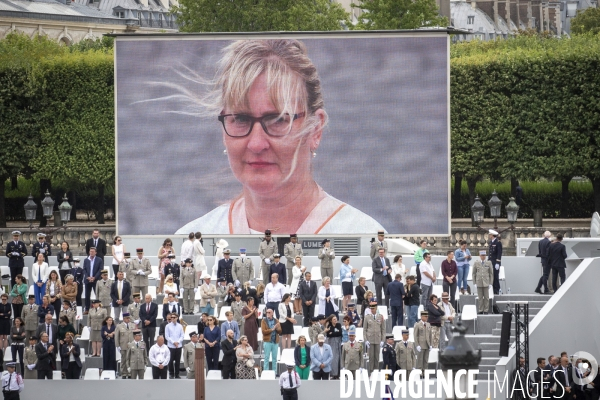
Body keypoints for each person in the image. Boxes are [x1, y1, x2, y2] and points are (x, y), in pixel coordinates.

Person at [175, 39, 383, 235]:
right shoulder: (190, 241)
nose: (257, 144)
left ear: (316, 129)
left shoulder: (365, 236)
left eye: (278, 120)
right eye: (240, 119)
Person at [363, 299, 386, 375]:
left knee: (377, 358)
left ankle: (376, 373)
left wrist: (383, 340)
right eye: (371, 308)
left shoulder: (380, 317)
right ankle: (371, 373)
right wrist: (366, 340)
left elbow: (383, 329)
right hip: (370, 339)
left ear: (376, 308)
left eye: (373, 308)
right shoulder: (367, 317)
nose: (372, 310)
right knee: (371, 358)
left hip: (378, 339)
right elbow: (365, 330)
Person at [114, 313, 135, 378]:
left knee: (131, 359)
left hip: (131, 346)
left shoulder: (133, 325)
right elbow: (116, 336)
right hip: (123, 345)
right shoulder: (119, 326)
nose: (128, 319)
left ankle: (129, 373)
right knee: (123, 360)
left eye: (129, 318)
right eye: (127, 318)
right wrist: (117, 345)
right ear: (124, 319)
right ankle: (123, 373)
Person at [261, 308, 282, 372]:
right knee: (266, 358)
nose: (268, 313)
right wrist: (272, 329)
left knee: (274, 359)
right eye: (267, 312)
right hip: (267, 341)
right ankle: (266, 372)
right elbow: (263, 331)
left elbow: (280, 331)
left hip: (275, 341)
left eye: (269, 312)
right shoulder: (264, 321)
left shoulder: (276, 320)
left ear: (272, 313)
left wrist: (277, 328)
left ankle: (274, 372)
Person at [83, 247, 103, 313]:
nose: (91, 253)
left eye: (93, 251)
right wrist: (87, 277)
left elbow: (100, 269)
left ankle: (98, 308)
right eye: (90, 251)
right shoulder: (86, 260)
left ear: (95, 252)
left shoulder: (99, 260)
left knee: (97, 294)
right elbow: (84, 269)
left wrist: (94, 277)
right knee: (87, 295)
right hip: (87, 280)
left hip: (96, 280)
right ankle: (87, 309)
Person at [164, 313, 184, 379]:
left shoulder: (180, 326)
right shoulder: (167, 326)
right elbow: (167, 336)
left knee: (178, 361)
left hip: (178, 345)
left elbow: (182, 336)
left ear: (177, 318)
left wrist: (178, 342)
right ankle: (171, 373)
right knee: (170, 360)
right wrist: (173, 342)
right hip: (171, 346)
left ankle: (177, 374)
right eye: (171, 317)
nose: (172, 318)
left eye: (174, 317)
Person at [323, 314, 342, 379]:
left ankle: (338, 374)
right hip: (331, 343)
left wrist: (332, 333)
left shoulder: (338, 325)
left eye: (336, 319)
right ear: (331, 320)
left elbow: (340, 333)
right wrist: (334, 333)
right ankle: (333, 374)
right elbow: (328, 335)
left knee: (338, 358)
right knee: (333, 358)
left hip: (338, 343)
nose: (335, 320)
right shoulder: (329, 326)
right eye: (334, 319)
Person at [488, 229, 503, 295]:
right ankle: (493, 289)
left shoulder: (498, 242)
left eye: (490, 234)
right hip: (491, 261)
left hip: (495, 262)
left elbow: (499, 253)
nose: (489, 235)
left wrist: (497, 262)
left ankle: (497, 289)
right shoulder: (491, 242)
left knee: (495, 276)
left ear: (492, 235)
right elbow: (490, 253)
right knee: (491, 276)